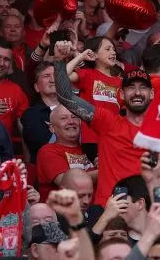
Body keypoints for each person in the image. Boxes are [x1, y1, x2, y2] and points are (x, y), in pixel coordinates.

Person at [53, 56, 150, 206]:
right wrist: (59, 59)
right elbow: (65, 96)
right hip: (109, 212)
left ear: (152, 94)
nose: (137, 92)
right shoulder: (107, 122)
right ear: (122, 95)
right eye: (131, 87)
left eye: (143, 87)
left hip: (143, 212)